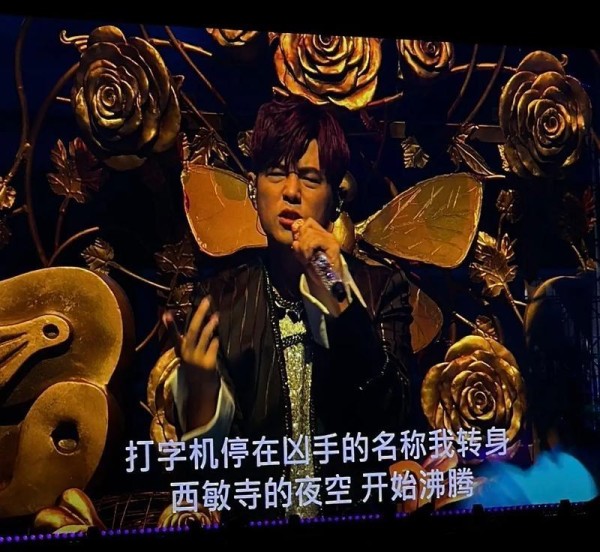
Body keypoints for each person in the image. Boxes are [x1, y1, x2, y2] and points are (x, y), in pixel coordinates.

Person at [164, 97, 413, 520]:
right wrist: (202, 399)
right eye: (276, 174)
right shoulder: (221, 298)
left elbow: (394, 420)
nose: (291, 192)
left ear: (336, 199)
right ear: (253, 187)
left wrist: (337, 293)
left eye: (311, 178)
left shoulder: (380, 288)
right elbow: (211, 475)